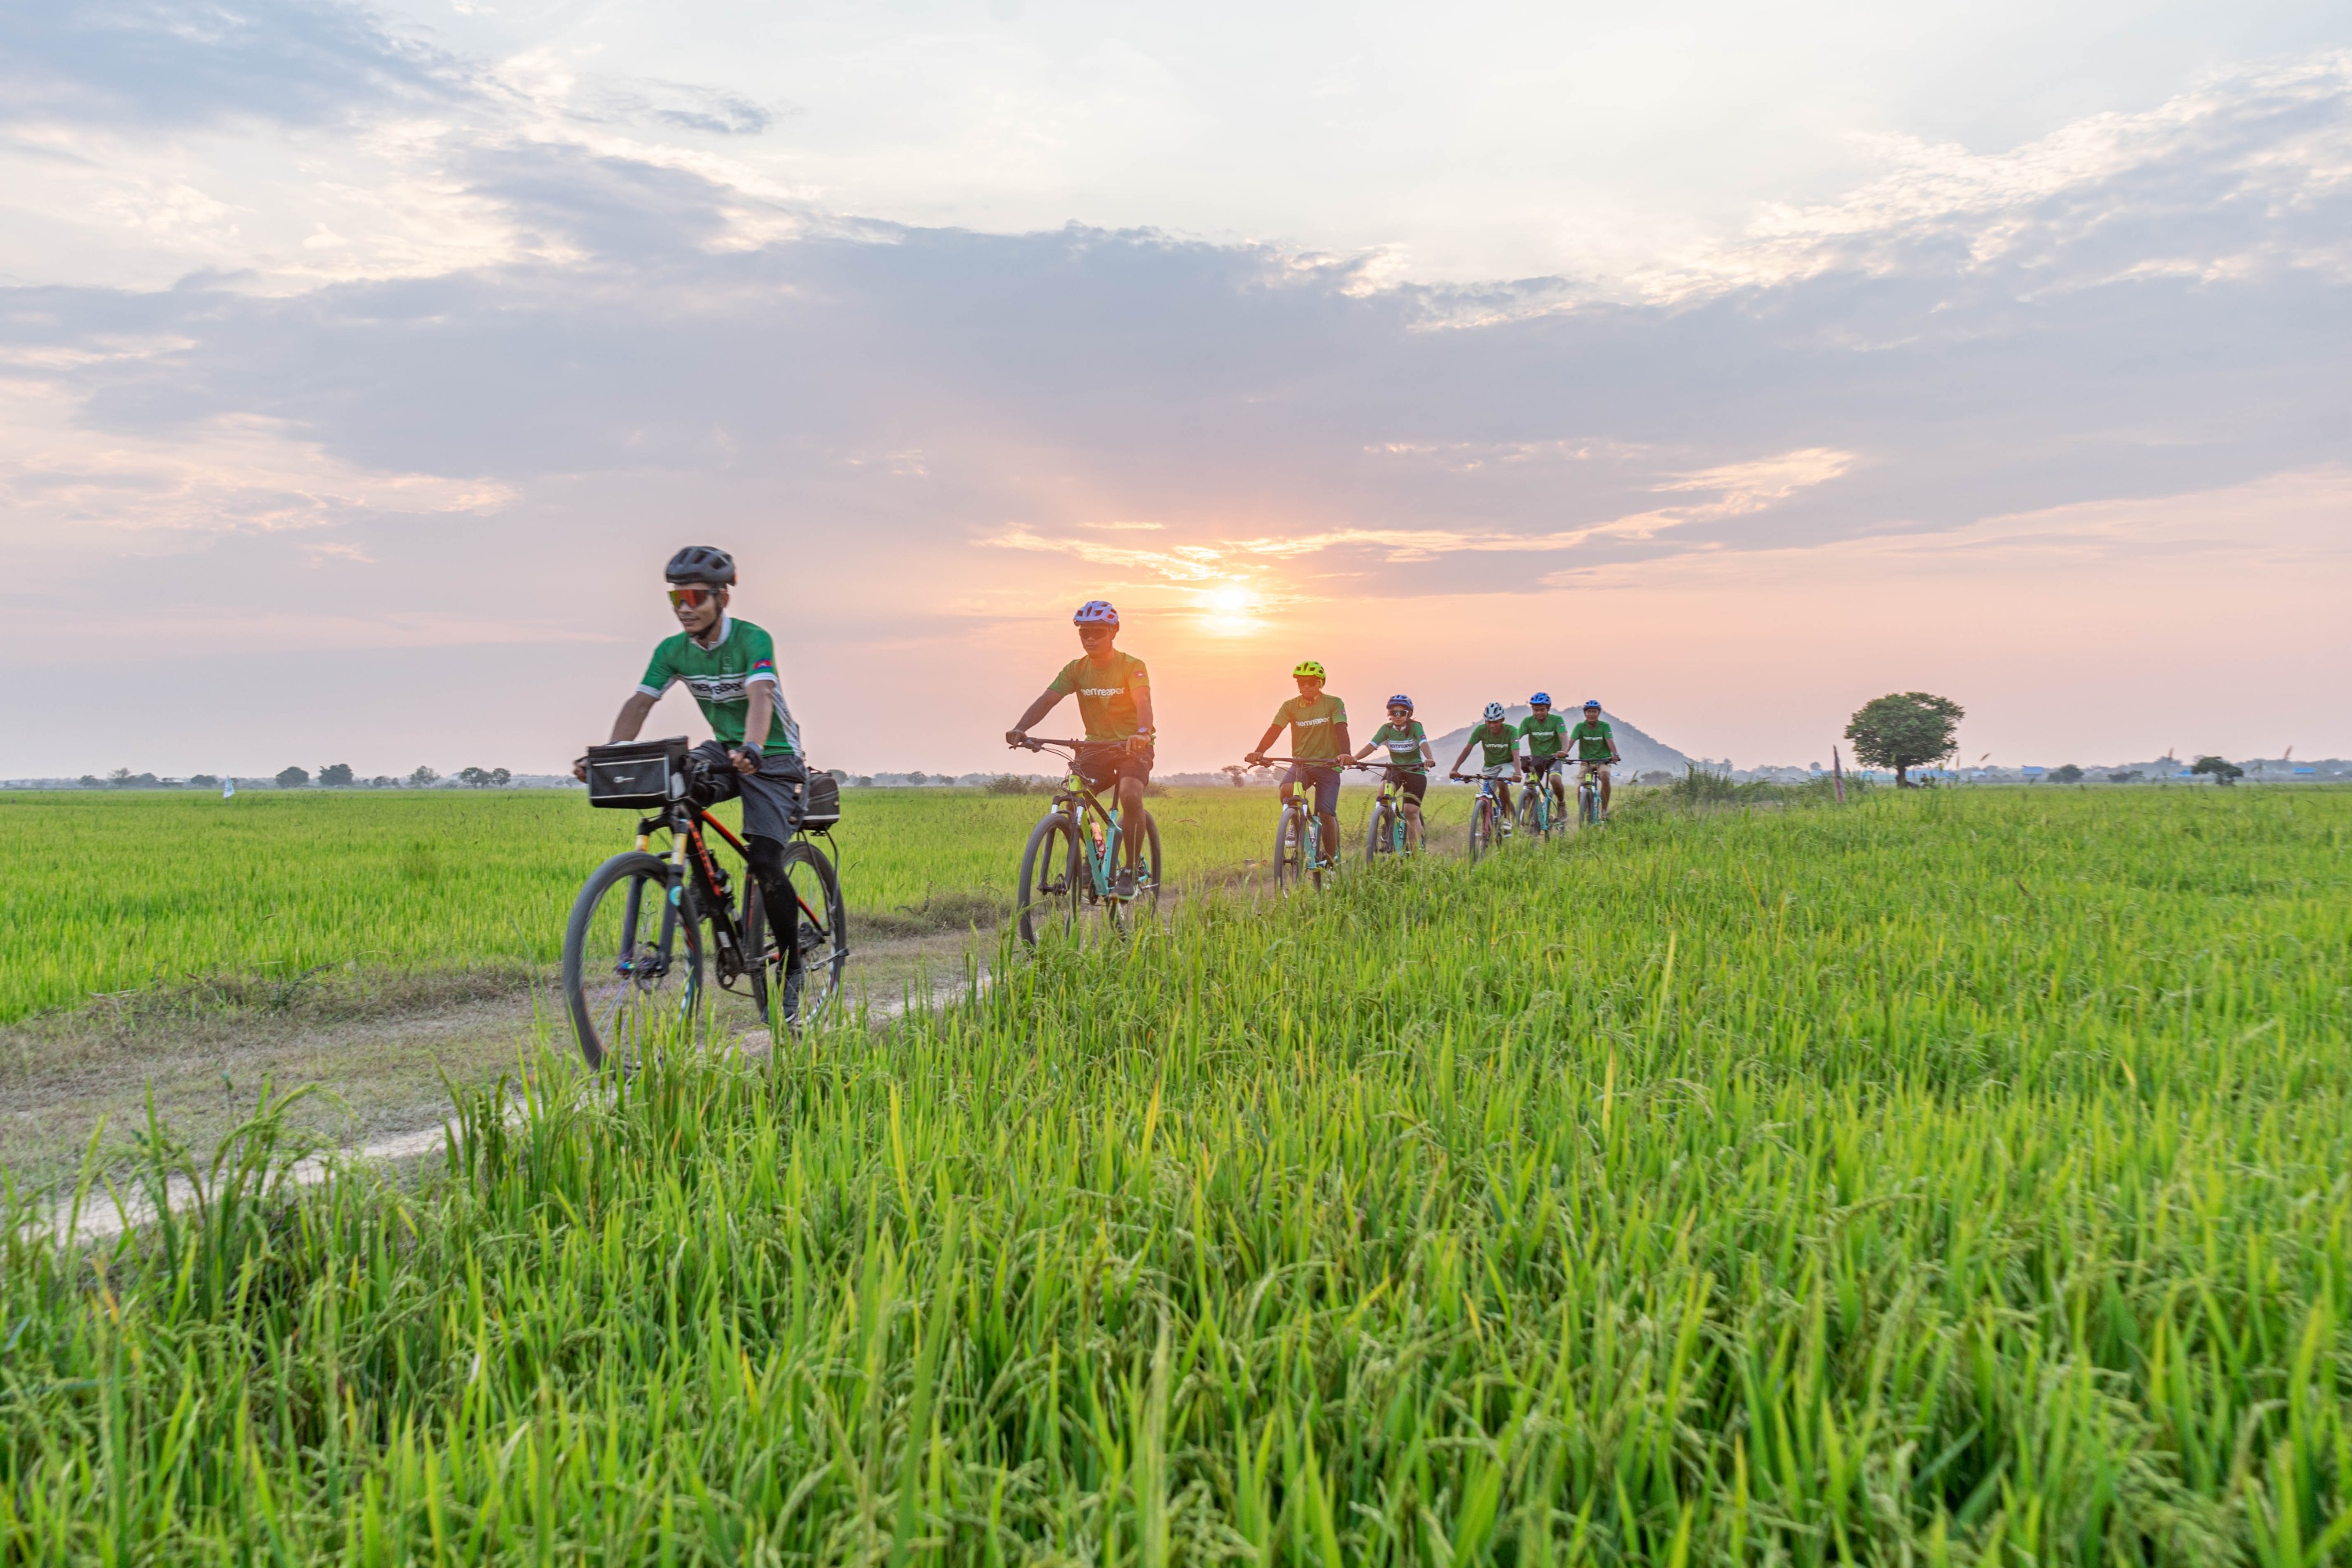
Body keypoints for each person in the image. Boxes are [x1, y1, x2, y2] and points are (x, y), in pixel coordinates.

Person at [576, 545, 809, 921]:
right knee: (677, 780)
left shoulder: (753, 639)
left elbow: (761, 694)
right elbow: (640, 703)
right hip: (724, 748)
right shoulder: (672, 650)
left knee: (764, 862)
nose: (684, 608)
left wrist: (754, 746)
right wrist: (608, 755)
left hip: (774, 753)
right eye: (676, 598)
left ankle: (792, 967)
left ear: (723, 598)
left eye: (695, 597)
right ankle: (707, 885)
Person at [1005, 601, 1154, 897]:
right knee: (1073, 798)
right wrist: (1022, 728)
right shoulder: (1076, 669)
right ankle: (1094, 853)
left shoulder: (1132, 666)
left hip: (1131, 746)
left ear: (1114, 631)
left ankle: (1129, 868)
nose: (1090, 638)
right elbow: (1047, 699)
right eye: (1084, 632)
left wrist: (1141, 733)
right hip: (1095, 747)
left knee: (1129, 794)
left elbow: (1143, 702)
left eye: (1097, 632)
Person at [1246, 661, 1351, 866]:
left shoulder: (1334, 703)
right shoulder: (1290, 706)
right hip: (1302, 764)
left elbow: (1341, 728)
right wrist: (1260, 751)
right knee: (1286, 789)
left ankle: (1331, 861)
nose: (1305, 687)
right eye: (1301, 683)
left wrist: (1345, 754)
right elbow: (1275, 728)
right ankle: (1298, 820)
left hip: (1328, 765)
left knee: (1327, 814)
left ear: (1320, 683)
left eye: (1310, 682)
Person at [1352, 693, 1432, 851]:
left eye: (1401, 713)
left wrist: (1429, 758)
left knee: (1411, 812)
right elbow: (1371, 746)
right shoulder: (1386, 729)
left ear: (1408, 714)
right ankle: (1387, 823)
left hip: (1415, 770)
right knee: (1383, 791)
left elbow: (1424, 743)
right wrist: (1355, 758)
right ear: (1389, 714)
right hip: (1395, 769)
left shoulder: (1416, 727)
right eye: (1393, 712)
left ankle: (1415, 856)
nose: (1397, 716)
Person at [1450, 701, 1521, 825]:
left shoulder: (1511, 731)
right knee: (1484, 796)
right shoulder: (1481, 730)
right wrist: (1454, 769)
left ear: (1502, 719)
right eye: (1489, 722)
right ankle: (1486, 829)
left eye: (1496, 722)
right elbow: (1467, 749)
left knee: (1501, 781)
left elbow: (1516, 753)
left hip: (1507, 764)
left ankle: (1506, 816)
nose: (1492, 725)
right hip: (1490, 767)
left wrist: (1518, 773)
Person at [1515, 692, 1570, 820]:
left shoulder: (1557, 720)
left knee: (1555, 780)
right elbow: (1516, 738)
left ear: (1548, 709)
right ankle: (1530, 818)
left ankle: (1561, 804)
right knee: (1530, 786)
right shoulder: (1528, 722)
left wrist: (1563, 750)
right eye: (1536, 710)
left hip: (1554, 758)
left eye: (1542, 710)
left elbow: (1564, 737)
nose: (1539, 712)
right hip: (1536, 760)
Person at [1570, 699, 1622, 818]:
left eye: (1594, 712)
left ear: (1598, 713)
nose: (1591, 714)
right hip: (1585, 762)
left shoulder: (1604, 726)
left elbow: (1610, 740)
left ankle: (1604, 811)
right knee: (1581, 787)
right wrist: (1564, 752)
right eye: (1589, 712)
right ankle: (1583, 814)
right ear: (1585, 713)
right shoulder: (1580, 727)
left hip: (1603, 760)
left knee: (1605, 777)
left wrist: (1615, 754)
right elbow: (1571, 740)